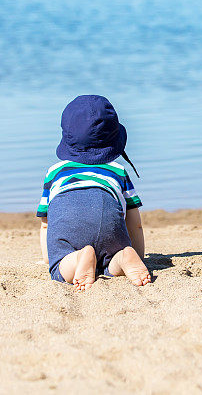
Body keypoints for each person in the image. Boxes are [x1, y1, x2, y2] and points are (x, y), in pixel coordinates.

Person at [36, 95, 151, 291]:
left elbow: (46, 224)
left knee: (61, 266)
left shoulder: (54, 173)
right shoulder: (118, 171)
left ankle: (80, 257)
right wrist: (137, 254)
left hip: (68, 229)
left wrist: (51, 258)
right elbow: (135, 222)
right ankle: (124, 256)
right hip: (110, 228)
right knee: (111, 261)